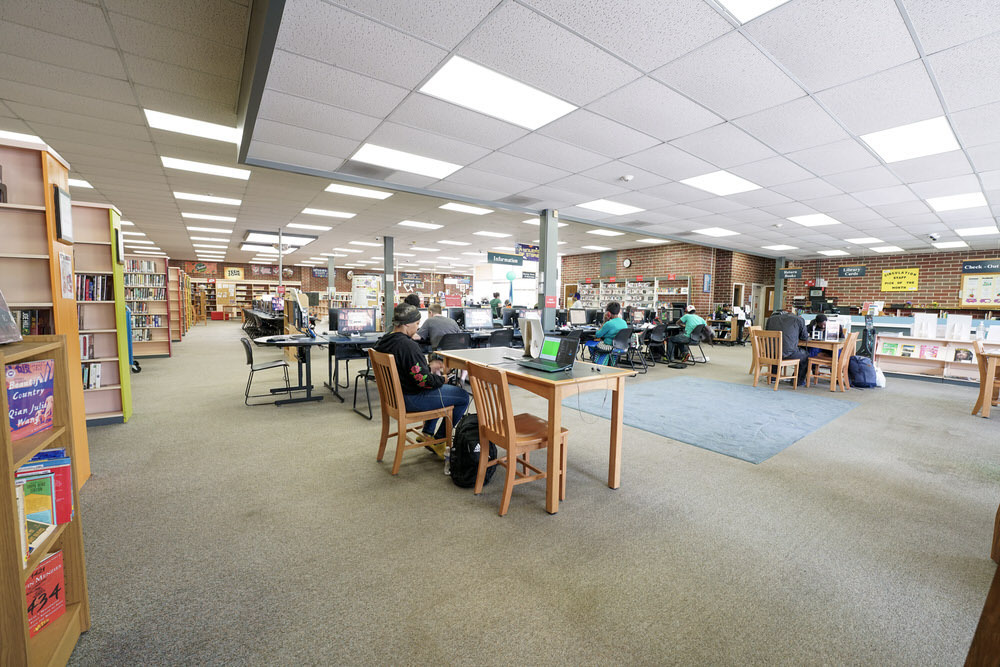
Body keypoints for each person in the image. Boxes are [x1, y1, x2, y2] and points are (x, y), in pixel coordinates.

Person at [373, 304, 469, 446]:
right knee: (462, 396)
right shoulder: (408, 346)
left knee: (438, 388)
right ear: (407, 324)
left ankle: (427, 433)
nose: (418, 328)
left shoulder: (383, 341)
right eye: (417, 323)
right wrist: (442, 379)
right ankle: (439, 441)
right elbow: (424, 381)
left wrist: (428, 368)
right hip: (410, 398)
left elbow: (408, 369)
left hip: (393, 397)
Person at [765, 303, 809, 385]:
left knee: (778, 349)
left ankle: (773, 376)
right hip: (786, 354)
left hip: (770, 353)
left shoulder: (770, 319)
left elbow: (767, 332)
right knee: (805, 354)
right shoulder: (799, 320)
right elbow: (804, 337)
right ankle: (798, 381)